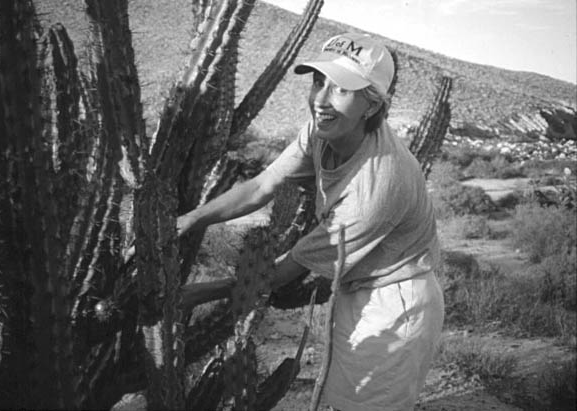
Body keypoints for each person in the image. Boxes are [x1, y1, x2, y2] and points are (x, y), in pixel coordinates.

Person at [178, 32, 444, 411]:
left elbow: (285, 272)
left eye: (340, 89)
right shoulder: (323, 129)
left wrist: (197, 294)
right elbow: (261, 186)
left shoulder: (378, 185)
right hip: (357, 286)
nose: (320, 100)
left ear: (371, 105)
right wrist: (189, 220)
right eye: (319, 82)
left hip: (395, 301)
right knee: (339, 400)